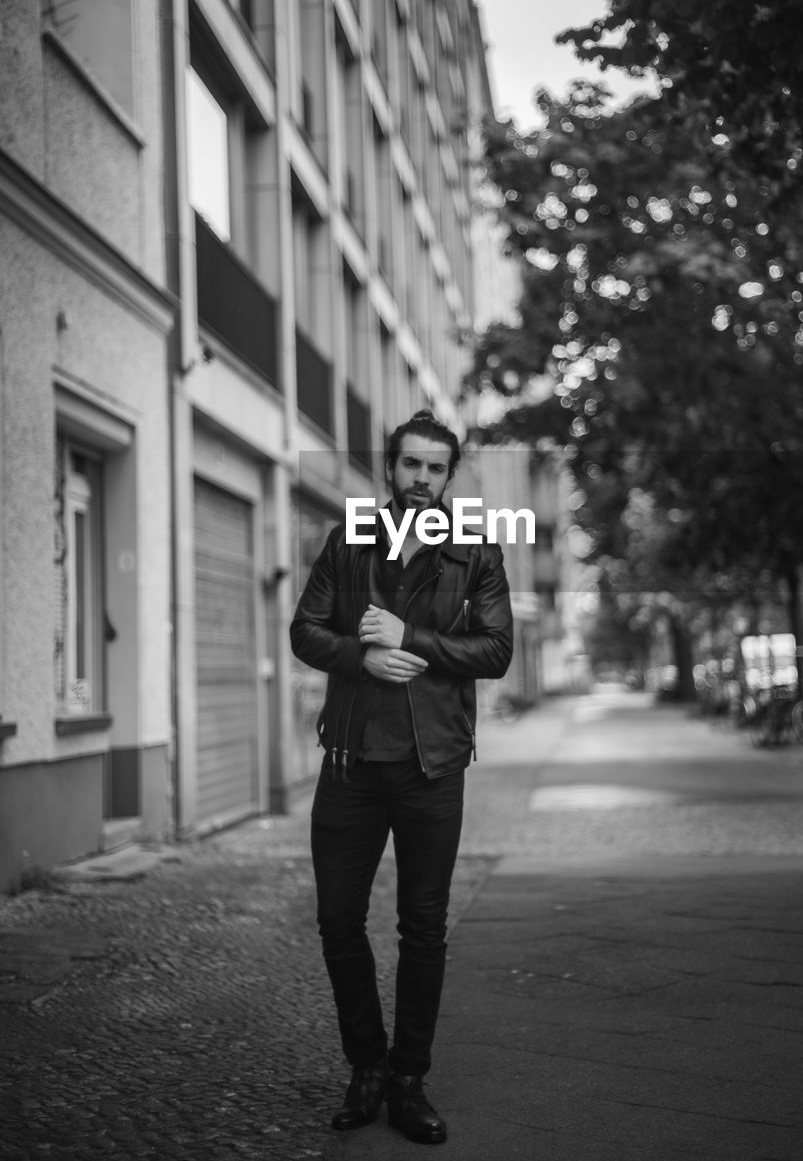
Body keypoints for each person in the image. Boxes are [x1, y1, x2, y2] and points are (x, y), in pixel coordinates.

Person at [290, 409, 514, 1145]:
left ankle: (409, 1079)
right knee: (336, 922)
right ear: (390, 467)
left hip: (432, 766)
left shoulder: (475, 550)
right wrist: (363, 656)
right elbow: (305, 630)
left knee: (422, 930)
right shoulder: (348, 541)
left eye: (435, 468)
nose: (420, 479)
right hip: (351, 763)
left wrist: (409, 638)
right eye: (410, 464)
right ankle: (367, 1067)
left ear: (450, 476)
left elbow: (495, 651)